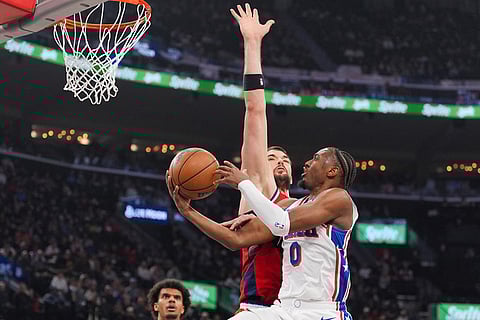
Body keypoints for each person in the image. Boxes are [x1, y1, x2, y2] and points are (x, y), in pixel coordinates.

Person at [167, 146, 357, 320]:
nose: (307, 163)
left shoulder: (340, 199)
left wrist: (244, 184)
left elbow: (281, 224)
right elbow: (235, 239)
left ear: (333, 171)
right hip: (283, 309)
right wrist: (188, 212)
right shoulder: (290, 206)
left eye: (316, 158)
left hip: (322, 312)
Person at [223, 3, 292, 312]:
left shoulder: (304, 207)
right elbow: (255, 111)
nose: (279, 160)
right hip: (261, 308)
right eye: (271, 156)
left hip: (297, 310)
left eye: (285, 158)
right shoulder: (260, 185)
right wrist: (253, 44)